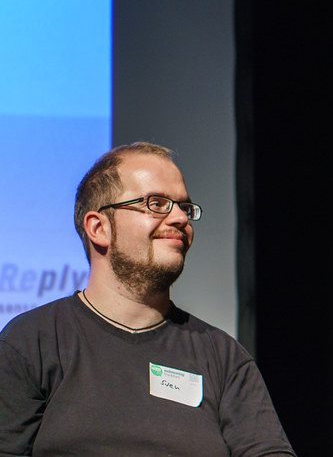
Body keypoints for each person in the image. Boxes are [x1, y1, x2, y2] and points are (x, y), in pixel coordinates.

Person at [0, 142, 295, 456]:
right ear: (99, 228)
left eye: (184, 207)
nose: (180, 218)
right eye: (157, 203)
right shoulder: (33, 343)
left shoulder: (223, 357)